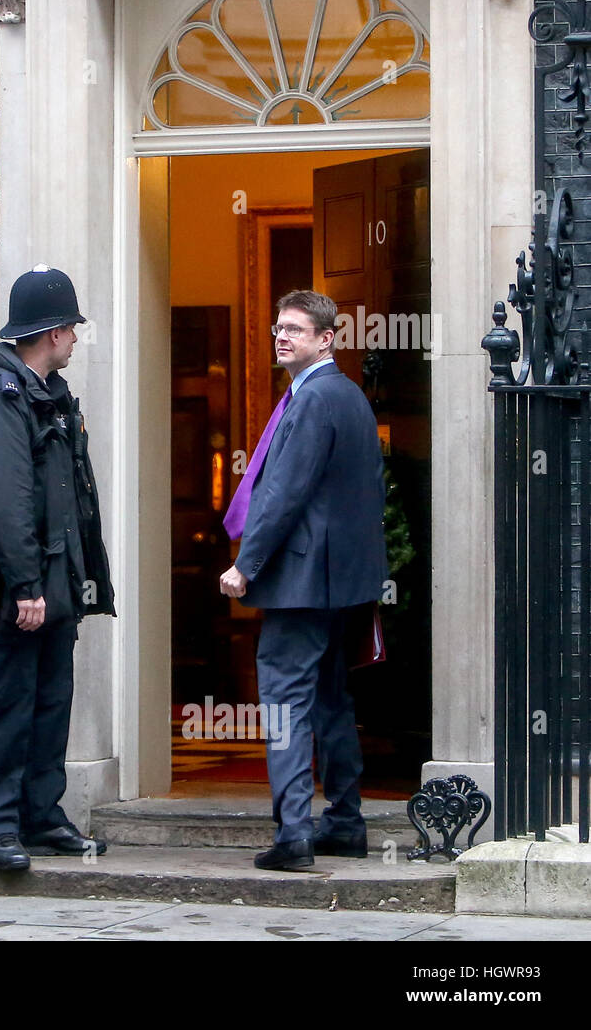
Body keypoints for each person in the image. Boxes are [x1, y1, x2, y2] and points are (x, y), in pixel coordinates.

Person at [0, 265, 115, 872]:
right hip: (18, 588)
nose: (75, 339)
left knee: (49, 705)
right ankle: (0, 825)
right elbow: (5, 498)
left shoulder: (50, 396)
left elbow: (68, 499)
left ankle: (42, 815)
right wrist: (25, 585)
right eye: (71, 328)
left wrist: (69, 582)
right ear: (53, 332)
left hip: (55, 584)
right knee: (6, 706)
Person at [218, 289, 387, 871]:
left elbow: (285, 493)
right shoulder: (350, 397)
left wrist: (247, 564)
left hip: (302, 583)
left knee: (286, 701)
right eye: (278, 328)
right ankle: (345, 822)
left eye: (295, 329)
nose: (282, 336)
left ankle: (294, 835)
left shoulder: (312, 400)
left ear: (326, 339)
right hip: (345, 585)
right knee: (332, 700)